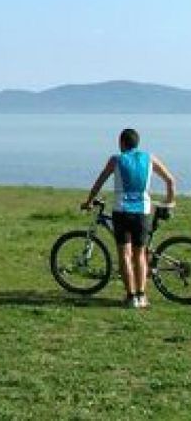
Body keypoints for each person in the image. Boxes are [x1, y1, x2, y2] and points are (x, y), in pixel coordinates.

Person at [80, 128, 176, 309]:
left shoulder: (116, 160)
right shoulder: (150, 158)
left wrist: (89, 201)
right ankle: (142, 296)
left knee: (125, 254)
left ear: (122, 143)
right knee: (140, 255)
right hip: (143, 212)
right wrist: (169, 203)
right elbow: (171, 181)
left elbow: (99, 182)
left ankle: (131, 297)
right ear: (137, 143)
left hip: (122, 211)